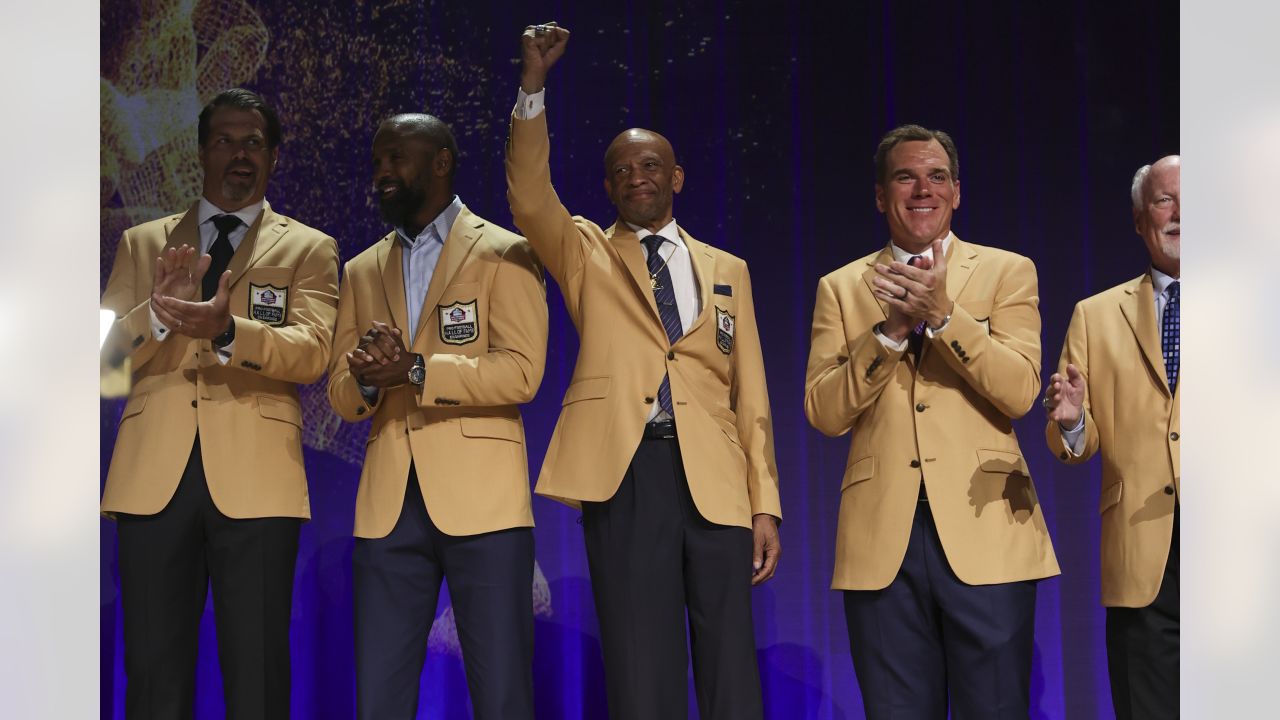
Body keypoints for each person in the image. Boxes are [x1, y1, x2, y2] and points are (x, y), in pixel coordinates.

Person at [507, 22, 782, 720]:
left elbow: (750, 394)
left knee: (729, 666)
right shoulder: (585, 254)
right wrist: (532, 87)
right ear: (608, 186)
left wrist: (765, 502)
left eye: (651, 165)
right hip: (626, 471)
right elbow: (530, 197)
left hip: (716, 476)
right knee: (641, 663)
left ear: (676, 176)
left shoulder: (729, 270)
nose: (638, 178)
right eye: (623, 171)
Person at [804, 124, 1060, 719]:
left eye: (937, 176)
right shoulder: (842, 288)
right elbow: (824, 411)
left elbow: (1021, 391)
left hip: (986, 523)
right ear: (879, 195)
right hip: (882, 538)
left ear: (957, 192)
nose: (923, 189)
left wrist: (944, 317)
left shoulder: (1006, 272)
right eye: (905, 176)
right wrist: (890, 333)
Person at [100, 87, 339, 718]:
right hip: (154, 478)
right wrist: (154, 315)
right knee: (152, 671)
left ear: (274, 157)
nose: (240, 154)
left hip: (259, 480)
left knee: (258, 671)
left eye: (254, 143)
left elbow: (314, 353)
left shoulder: (309, 248)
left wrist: (228, 331)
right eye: (226, 141)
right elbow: (100, 365)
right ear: (201, 152)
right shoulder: (143, 243)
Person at [325, 113, 548, 720]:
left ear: (441, 162)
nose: (382, 173)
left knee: (501, 694)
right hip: (389, 506)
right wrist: (367, 378)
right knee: (379, 697)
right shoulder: (361, 269)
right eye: (376, 163)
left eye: (396, 157)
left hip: (485, 506)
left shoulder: (506, 252)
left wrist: (418, 370)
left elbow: (523, 372)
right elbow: (342, 395)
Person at [1043, 155, 1180, 719]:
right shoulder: (1096, 315)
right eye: (1165, 200)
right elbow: (1070, 444)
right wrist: (1072, 419)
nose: (1181, 213)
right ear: (1139, 219)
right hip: (1142, 552)